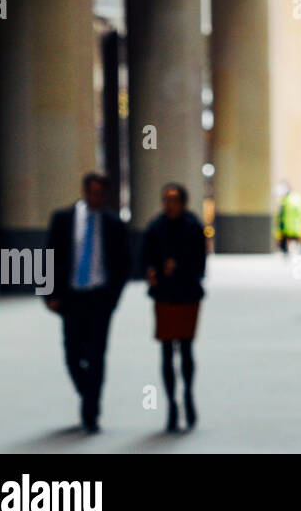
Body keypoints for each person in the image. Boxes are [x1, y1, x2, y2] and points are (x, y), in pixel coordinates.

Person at [44, 173, 130, 433]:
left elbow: (124, 264)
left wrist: (113, 298)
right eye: (92, 192)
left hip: (99, 298)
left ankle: (91, 409)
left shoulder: (114, 224)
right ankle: (88, 391)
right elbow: (48, 256)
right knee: (72, 354)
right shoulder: (63, 219)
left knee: (96, 355)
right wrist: (49, 294)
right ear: (83, 191)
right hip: (71, 297)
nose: (96, 198)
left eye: (100, 193)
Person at [142, 183, 207, 433]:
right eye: (165, 199)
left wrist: (178, 267)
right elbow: (145, 256)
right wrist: (152, 270)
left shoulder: (193, 226)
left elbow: (200, 264)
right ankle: (171, 403)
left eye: (173, 199)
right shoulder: (155, 226)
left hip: (187, 294)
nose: (169, 204)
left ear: (183, 202)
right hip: (164, 296)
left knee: (187, 348)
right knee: (167, 351)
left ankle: (188, 395)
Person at [274, 181, 301, 256]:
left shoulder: (285, 200)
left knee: (289, 247)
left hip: (288, 228)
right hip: (300, 227)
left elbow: (280, 215)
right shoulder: (299, 198)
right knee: (299, 247)